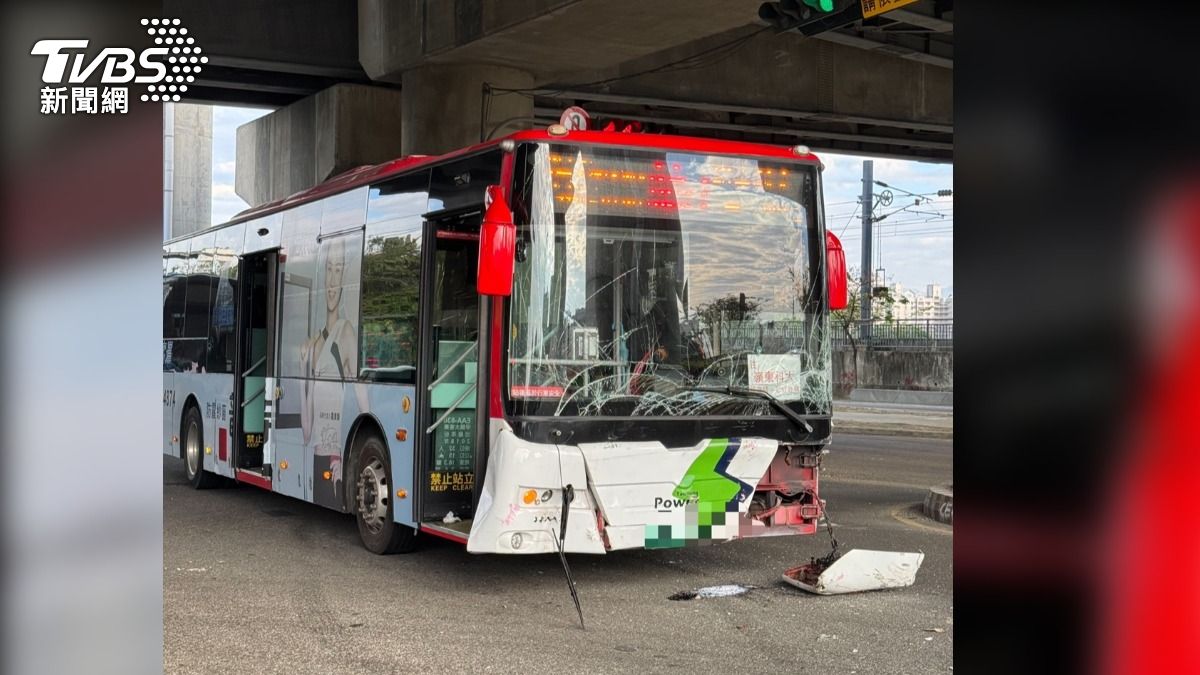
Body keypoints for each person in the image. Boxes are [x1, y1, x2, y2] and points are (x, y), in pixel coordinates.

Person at [300, 236, 361, 508]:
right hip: (318, 458)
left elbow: (363, 407)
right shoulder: (315, 342)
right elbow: (306, 431)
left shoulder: (346, 332)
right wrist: (304, 369)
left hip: (337, 461)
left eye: (339, 270)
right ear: (323, 273)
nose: (334, 280)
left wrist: (346, 457)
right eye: (329, 269)